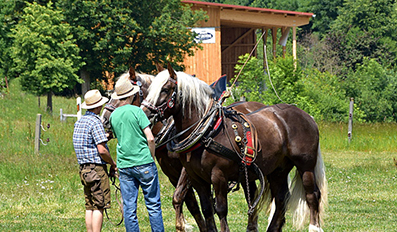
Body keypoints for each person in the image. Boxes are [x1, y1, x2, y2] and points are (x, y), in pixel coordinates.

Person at [109, 79, 164, 232]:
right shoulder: (138, 111)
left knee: (129, 207)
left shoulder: (113, 116)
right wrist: (151, 157)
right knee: (153, 205)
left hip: (124, 165)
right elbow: (150, 137)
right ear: (131, 96)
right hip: (144, 162)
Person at [73, 89, 117, 232]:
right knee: (100, 205)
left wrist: (105, 137)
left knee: (89, 205)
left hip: (84, 169)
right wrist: (113, 163)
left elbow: (89, 141)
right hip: (96, 169)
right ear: (98, 106)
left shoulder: (80, 122)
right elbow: (102, 150)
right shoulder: (95, 121)